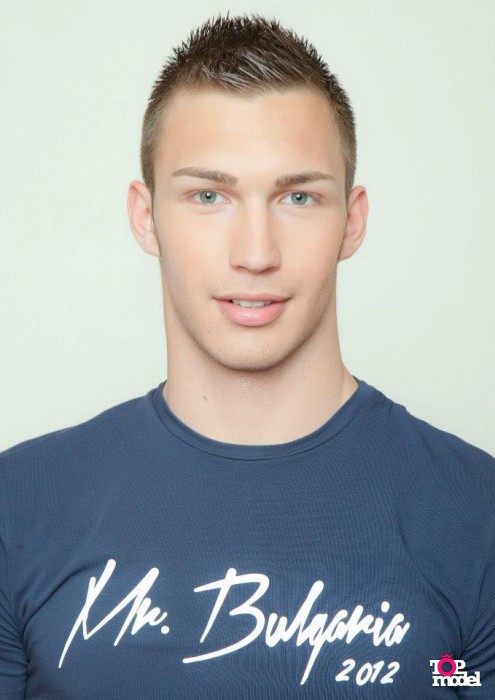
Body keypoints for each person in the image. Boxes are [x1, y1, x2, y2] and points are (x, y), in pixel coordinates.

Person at [0, 13, 493, 699]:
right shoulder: (18, 507)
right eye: (208, 196)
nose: (256, 253)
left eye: (298, 197)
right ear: (145, 216)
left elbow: (449, 678)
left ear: (351, 221)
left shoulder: (475, 514)